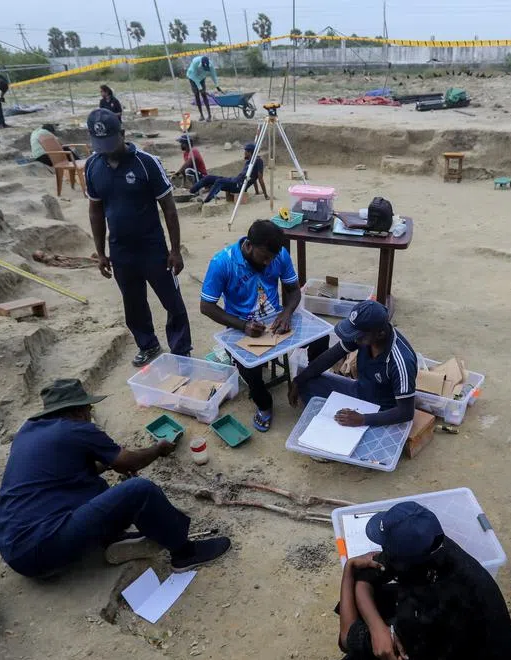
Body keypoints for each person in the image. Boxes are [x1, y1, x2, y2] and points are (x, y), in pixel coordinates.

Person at [0, 379, 231, 578]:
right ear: (78, 411)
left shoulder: (29, 430)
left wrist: (109, 463)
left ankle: (112, 539)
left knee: (97, 487)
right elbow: (128, 463)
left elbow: (69, 473)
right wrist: (156, 450)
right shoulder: (76, 429)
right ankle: (184, 554)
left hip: (14, 549)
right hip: (44, 547)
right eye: (88, 410)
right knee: (139, 489)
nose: (90, 415)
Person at [327, 501, 511, 660]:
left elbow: (346, 636)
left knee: (374, 649)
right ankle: (372, 659)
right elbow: (368, 575)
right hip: (463, 637)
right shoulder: (432, 547)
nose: (382, 550)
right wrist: (378, 627)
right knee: (370, 613)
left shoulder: (426, 613)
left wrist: (349, 570)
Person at [84, 108, 192, 367]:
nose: (107, 150)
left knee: (171, 300)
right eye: (101, 145)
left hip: (153, 248)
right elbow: (95, 212)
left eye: (111, 142)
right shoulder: (92, 166)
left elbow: (168, 208)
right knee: (133, 303)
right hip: (120, 250)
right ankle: (148, 344)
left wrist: (174, 250)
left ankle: (181, 349)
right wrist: (100, 253)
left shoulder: (146, 162)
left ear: (122, 134)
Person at [200, 220, 326, 432]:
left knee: (321, 337)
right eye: (264, 257)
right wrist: (243, 325)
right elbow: (206, 306)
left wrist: (286, 313)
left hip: (276, 319)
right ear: (248, 246)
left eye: (272, 258)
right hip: (241, 325)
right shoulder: (222, 262)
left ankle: (308, 382)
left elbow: (294, 290)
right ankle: (264, 403)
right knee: (249, 365)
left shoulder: (279, 255)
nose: (268, 263)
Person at [290, 300, 416, 429]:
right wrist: (299, 379)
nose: (355, 339)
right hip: (360, 391)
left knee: (360, 436)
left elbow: (406, 412)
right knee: (307, 382)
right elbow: (331, 356)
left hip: (382, 409)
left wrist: (363, 419)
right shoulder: (364, 336)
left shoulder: (401, 361)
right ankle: (329, 425)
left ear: (380, 334)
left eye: (359, 336)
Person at [186, 143, 264, 204]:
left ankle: (206, 201)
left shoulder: (258, 161)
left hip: (239, 185)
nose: (244, 153)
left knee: (219, 181)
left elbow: (259, 178)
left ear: (249, 152)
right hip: (234, 180)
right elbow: (252, 177)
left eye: (245, 151)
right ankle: (190, 192)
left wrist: (266, 195)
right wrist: (256, 192)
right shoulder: (249, 162)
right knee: (208, 178)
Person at [186, 55, 222, 122]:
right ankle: (201, 115)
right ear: (201, 65)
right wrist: (200, 88)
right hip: (192, 77)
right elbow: (194, 77)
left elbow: (213, 75)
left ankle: (209, 115)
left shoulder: (210, 65)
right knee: (197, 94)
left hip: (202, 78)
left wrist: (217, 86)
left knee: (204, 95)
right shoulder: (195, 63)